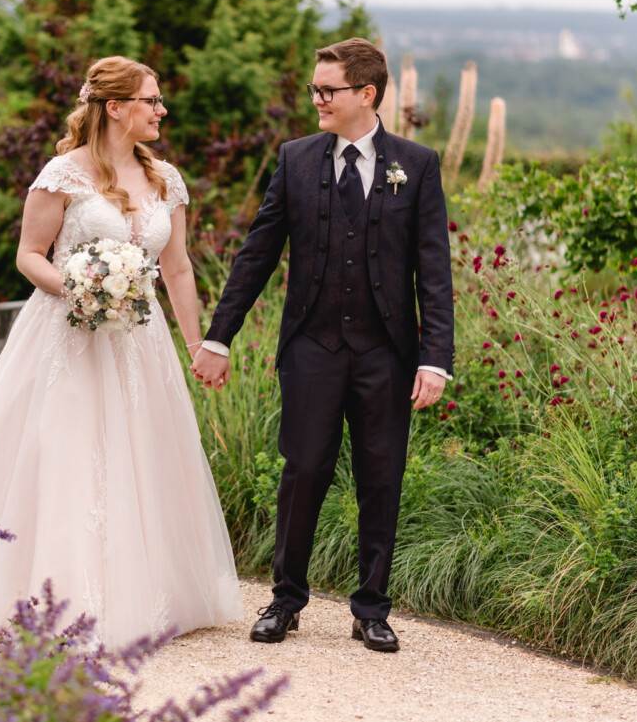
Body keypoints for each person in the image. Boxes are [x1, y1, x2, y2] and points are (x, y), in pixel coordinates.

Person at [0, 56, 242, 648]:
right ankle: (53, 595)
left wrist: (196, 343)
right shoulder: (62, 173)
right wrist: (79, 291)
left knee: (143, 457)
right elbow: (30, 255)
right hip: (69, 334)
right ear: (115, 108)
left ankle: (146, 593)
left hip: (142, 341)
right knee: (68, 455)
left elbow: (178, 266)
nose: (162, 111)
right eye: (151, 101)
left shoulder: (166, 179)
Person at [191, 38, 454, 653]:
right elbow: (257, 252)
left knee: (380, 476)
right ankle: (285, 600)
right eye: (314, 88)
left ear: (366, 94)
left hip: (387, 351)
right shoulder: (297, 158)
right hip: (312, 343)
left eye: (326, 90)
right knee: (303, 470)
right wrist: (219, 336)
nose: (315, 99)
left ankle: (371, 609)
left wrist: (434, 358)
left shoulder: (415, 165)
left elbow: (434, 272)